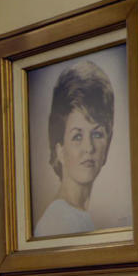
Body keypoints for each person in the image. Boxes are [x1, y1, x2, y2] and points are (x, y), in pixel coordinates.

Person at [33, 56, 121, 238]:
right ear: (59, 149)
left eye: (97, 134)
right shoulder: (59, 222)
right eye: (77, 136)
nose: (89, 148)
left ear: (108, 142)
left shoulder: (78, 217)